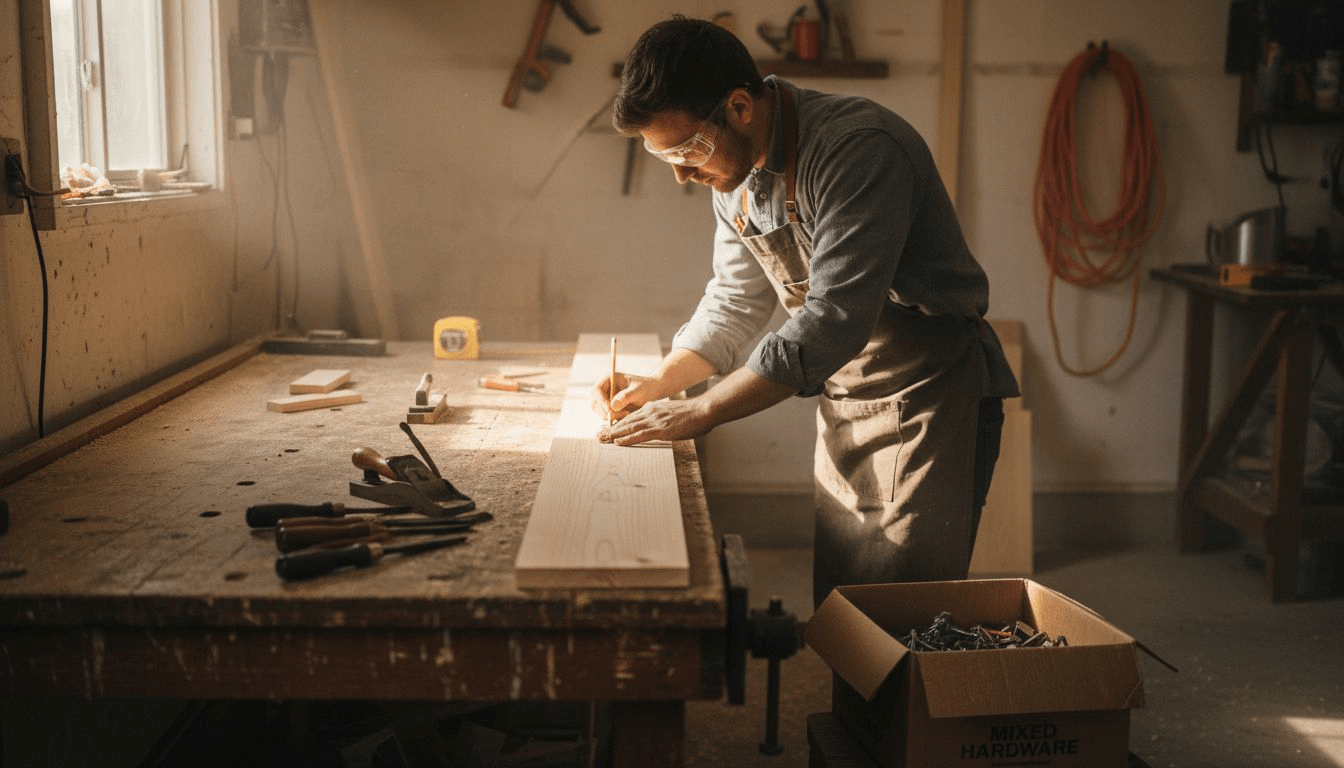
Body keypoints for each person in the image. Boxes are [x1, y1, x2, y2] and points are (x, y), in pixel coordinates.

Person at [595, 16, 1020, 608]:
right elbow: (735, 298)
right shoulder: (734, 179)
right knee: (844, 600)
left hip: (928, 398)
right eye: (663, 156)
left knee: (905, 609)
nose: (681, 175)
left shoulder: (858, 149)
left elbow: (835, 316)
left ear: (739, 107)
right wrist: (663, 383)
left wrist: (702, 410)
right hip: (845, 397)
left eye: (688, 150)